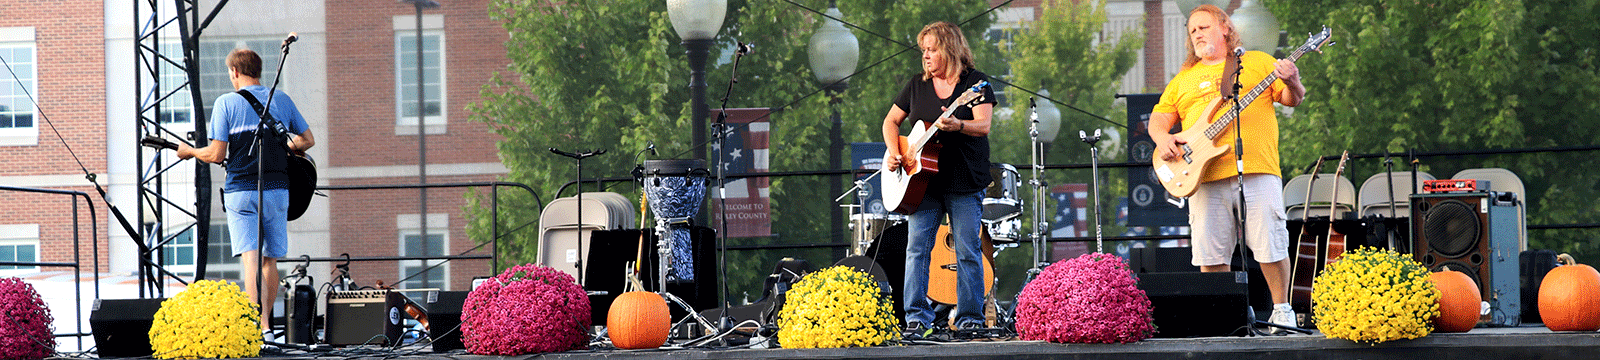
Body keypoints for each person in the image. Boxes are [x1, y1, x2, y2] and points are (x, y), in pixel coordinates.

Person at [1148, 4, 1305, 331]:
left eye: (1203, 26)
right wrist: (1163, 138)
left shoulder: (1257, 62)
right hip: (1202, 176)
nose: (1197, 34)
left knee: (1271, 243)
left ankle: (1282, 311)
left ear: (1225, 27)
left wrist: (1293, 81)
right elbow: (1159, 119)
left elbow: (1292, 98)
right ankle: (1227, 313)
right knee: (1210, 253)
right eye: (1192, 31)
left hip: (1257, 167)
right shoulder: (1183, 80)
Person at [177, 48, 315, 338]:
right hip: (277, 190)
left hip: (241, 190)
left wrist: (189, 151)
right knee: (270, 260)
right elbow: (307, 140)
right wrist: (284, 150)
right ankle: (268, 327)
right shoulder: (282, 99)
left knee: (251, 260)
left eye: (230, 73)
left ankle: (255, 329)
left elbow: (216, 154)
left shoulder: (226, 103)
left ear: (235, 72)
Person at [881, 21, 996, 340]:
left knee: (968, 249)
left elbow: (983, 125)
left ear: (950, 49)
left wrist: (957, 125)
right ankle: (917, 318)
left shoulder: (976, 83)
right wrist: (895, 151)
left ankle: (971, 319)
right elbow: (891, 121)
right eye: (924, 51)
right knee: (916, 248)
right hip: (923, 184)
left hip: (964, 179)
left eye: (932, 50)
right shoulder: (917, 85)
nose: (926, 57)